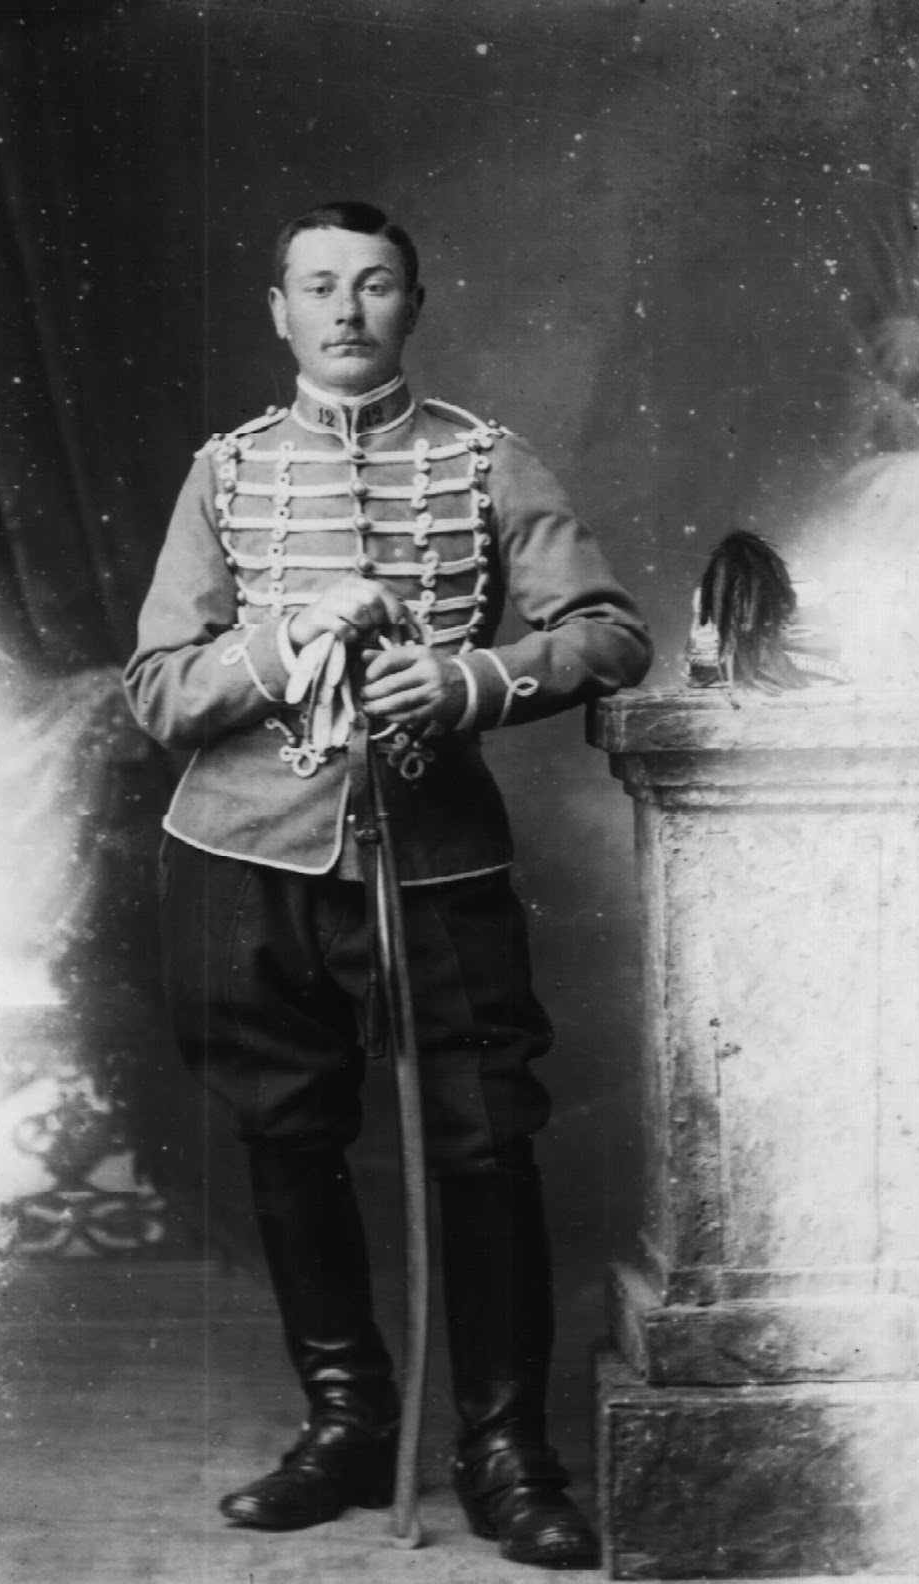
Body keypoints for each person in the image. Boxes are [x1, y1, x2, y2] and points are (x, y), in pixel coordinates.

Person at [124, 201, 652, 1570]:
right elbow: (160, 692)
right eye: (318, 286)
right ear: (279, 311)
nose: (346, 311)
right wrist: (288, 633)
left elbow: (607, 634)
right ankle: (346, 1424)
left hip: (433, 858)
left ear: (413, 304)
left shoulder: (485, 458)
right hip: (244, 856)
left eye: (372, 285)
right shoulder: (227, 472)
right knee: (285, 1136)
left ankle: (505, 1450)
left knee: (484, 1144)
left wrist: (471, 680)